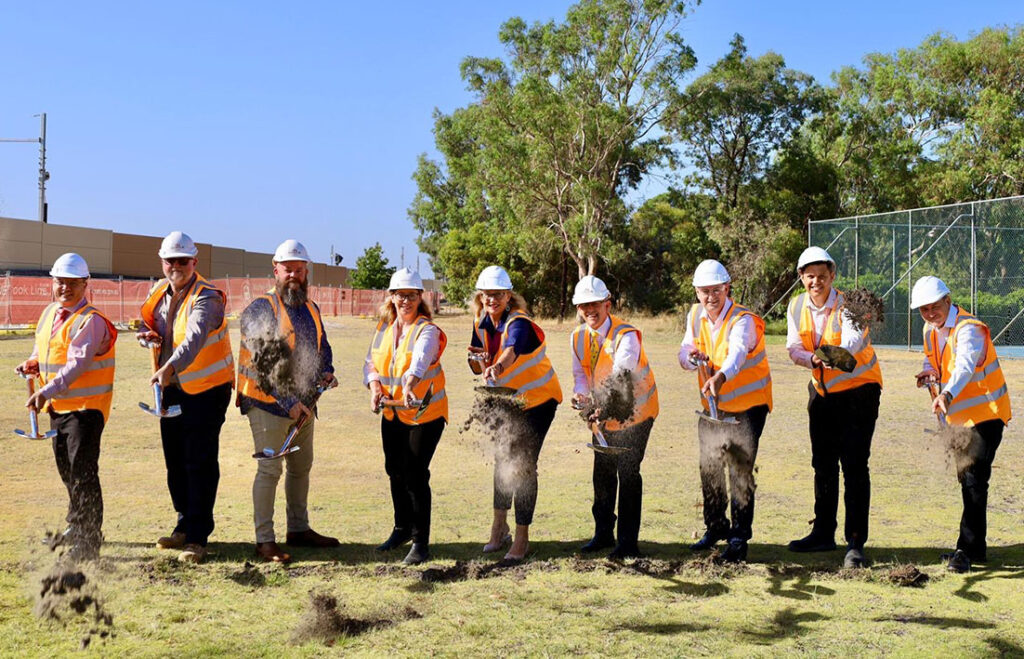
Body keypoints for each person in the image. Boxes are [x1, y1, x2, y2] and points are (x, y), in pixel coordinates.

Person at [236, 239, 339, 563]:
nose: (293, 275)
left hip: (304, 406)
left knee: (300, 468)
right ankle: (264, 541)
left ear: (306, 271)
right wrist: (288, 401)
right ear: (275, 270)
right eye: (287, 269)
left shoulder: (310, 307)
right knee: (269, 471)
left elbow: (322, 346)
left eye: (299, 269)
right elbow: (264, 361)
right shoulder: (260, 309)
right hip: (269, 405)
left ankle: (298, 529)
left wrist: (326, 371)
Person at [138, 231, 234, 564]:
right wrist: (147, 336)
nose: (176, 266)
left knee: (199, 462)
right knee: (175, 461)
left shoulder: (207, 297)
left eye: (183, 260)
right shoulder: (159, 293)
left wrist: (169, 367)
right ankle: (183, 523)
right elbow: (158, 328)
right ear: (162, 261)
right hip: (172, 390)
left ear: (195, 262)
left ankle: (197, 537)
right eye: (170, 261)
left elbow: (193, 339)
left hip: (206, 390)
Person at [785, 246, 883, 568]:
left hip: (859, 392)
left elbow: (855, 343)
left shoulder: (851, 304)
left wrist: (828, 354)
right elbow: (793, 348)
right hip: (822, 393)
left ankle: (855, 543)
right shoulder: (796, 306)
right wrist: (812, 358)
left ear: (832, 275)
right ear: (801, 278)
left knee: (854, 465)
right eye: (810, 276)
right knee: (823, 464)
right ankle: (823, 533)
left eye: (822, 276)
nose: (817, 282)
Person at [16, 253, 117, 561]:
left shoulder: (91, 321)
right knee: (68, 472)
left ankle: (88, 543)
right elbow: (44, 346)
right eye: (60, 282)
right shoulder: (50, 313)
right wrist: (33, 363)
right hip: (59, 408)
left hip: (86, 410)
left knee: (83, 473)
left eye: (73, 283)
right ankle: (76, 524)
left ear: (85, 285)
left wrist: (47, 390)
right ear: (53, 283)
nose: (65, 288)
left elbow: (77, 363)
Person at [911, 276, 1011, 573]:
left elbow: (966, 365)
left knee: (973, 478)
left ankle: (966, 551)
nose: (930, 313)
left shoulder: (969, 330)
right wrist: (928, 374)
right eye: (923, 309)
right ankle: (973, 547)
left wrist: (946, 392)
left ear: (948, 300)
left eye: (934, 306)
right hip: (958, 419)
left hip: (986, 414)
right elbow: (935, 361)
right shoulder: (931, 330)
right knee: (968, 478)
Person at [679, 260, 772, 563]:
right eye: (705, 291)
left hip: (748, 407)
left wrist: (720, 376)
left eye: (716, 290)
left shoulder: (742, 319)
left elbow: (738, 353)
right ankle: (715, 527)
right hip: (713, 406)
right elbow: (684, 351)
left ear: (727, 288)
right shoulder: (695, 315)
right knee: (710, 468)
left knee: (739, 472)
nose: (711, 297)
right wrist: (691, 358)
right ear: (696, 292)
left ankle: (738, 539)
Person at [469, 265, 562, 561]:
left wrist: (497, 366)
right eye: (487, 295)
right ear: (481, 296)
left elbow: (512, 350)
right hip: (505, 401)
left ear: (508, 296)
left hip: (537, 401)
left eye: (498, 294)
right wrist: (478, 362)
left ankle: (522, 538)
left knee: (522, 466)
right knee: (502, 462)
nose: (492, 299)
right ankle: (499, 528)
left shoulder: (518, 322)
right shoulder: (481, 321)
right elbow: (474, 362)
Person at [571, 276, 658, 560]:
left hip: (637, 413)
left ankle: (628, 543)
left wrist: (602, 404)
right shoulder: (578, 336)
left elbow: (622, 372)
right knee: (603, 473)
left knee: (628, 473)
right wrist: (582, 398)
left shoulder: (627, 335)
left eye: (595, 304)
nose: (589, 311)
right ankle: (603, 533)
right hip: (604, 415)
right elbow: (580, 376)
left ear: (607, 304)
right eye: (584, 306)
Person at [364, 268, 448, 565]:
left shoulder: (427, 329)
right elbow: (371, 363)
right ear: (392, 297)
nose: (406, 301)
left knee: (415, 474)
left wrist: (412, 381)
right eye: (401, 295)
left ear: (420, 298)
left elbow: (421, 358)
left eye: (412, 295)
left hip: (425, 414)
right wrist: (374, 385)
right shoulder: (384, 328)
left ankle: (421, 542)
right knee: (395, 471)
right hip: (392, 413)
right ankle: (401, 529)